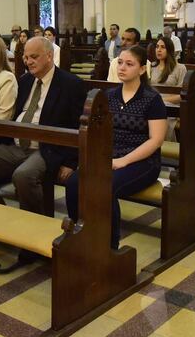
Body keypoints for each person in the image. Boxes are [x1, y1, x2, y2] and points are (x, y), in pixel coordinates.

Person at [0, 36, 86, 273]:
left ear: (49, 56)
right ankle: (4, 224)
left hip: (46, 148)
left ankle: (36, 238)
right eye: (25, 57)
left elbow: (76, 128)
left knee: (23, 175)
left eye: (34, 57)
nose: (28, 61)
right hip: (15, 144)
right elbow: (16, 114)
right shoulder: (26, 81)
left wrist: (72, 162)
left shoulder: (71, 84)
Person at [65, 45, 165, 249]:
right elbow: (96, 132)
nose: (122, 67)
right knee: (75, 181)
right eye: (120, 62)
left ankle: (110, 247)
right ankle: (81, 234)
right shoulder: (108, 96)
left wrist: (123, 161)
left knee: (106, 186)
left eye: (129, 64)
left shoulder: (152, 99)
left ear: (142, 69)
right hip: (109, 157)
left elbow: (156, 140)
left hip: (142, 161)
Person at [149, 36, 187, 101]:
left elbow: (182, 95)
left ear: (169, 50)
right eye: (157, 47)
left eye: (163, 47)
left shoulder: (180, 68)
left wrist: (160, 101)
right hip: (153, 104)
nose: (159, 50)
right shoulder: (151, 66)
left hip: (171, 105)